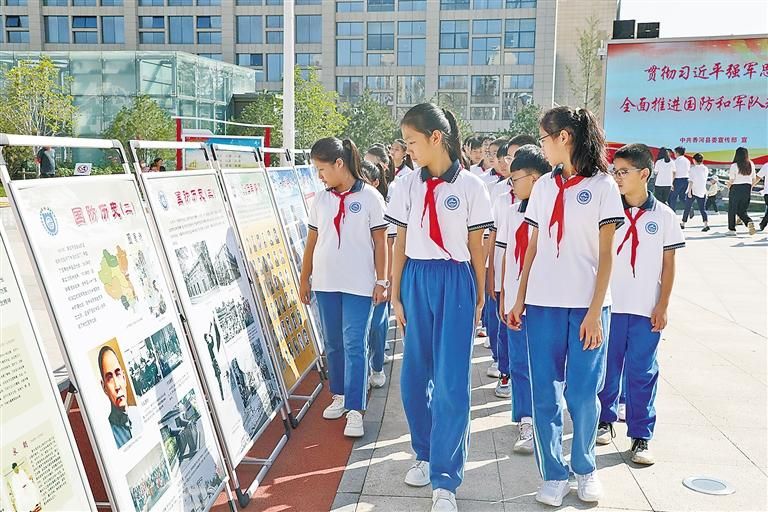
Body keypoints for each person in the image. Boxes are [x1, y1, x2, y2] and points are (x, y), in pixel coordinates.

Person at [509, 106, 624, 507]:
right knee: (545, 394)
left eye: (544, 137)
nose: (541, 145)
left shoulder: (603, 186)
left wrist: (595, 311)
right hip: (543, 305)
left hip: (587, 307)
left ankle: (585, 468)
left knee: (583, 394)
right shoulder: (543, 187)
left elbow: (607, 255)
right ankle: (554, 474)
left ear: (564, 137)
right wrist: (520, 297)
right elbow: (533, 246)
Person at [386, 103, 492, 512]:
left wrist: (479, 294)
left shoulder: (471, 187)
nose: (407, 149)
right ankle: (425, 453)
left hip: (455, 280)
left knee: (451, 382)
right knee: (413, 378)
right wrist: (396, 293)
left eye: (411, 141)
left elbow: (476, 246)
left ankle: (446, 480)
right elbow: (399, 241)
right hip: (416, 278)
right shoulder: (405, 185)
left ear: (436, 137)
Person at [596, 143, 684, 466]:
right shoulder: (608, 213)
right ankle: (604, 419)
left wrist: (663, 305)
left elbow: (669, 265)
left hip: (646, 309)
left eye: (623, 172)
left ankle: (641, 435)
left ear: (644, 173)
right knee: (606, 367)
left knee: (642, 372)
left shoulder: (664, 216)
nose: (617, 177)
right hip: (610, 306)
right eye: (614, 171)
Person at [299, 137, 388, 438]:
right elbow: (312, 241)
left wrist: (382, 280)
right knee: (334, 343)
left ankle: (355, 409)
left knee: (354, 344)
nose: (319, 176)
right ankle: (339, 394)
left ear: (339, 163)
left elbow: (380, 242)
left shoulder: (371, 197)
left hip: (359, 285)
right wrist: (304, 278)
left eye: (322, 169)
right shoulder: (321, 200)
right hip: (326, 283)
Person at [497, 144, 550, 454]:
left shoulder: (553, 212)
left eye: (515, 178)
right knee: (519, 362)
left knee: (545, 363)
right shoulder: (511, 213)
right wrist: (504, 294)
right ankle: (526, 420)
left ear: (535, 178)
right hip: (516, 300)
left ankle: (546, 419)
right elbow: (507, 255)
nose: (511, 185)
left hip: (545, 299)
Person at [360, 158, 391, 388]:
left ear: (375, 182)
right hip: (358, 275)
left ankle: (377, 366)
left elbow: (389, 245)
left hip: (379, 276)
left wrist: (386, 280)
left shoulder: (382, 207)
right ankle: (362, 371)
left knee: (377, 327)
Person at [98, 345, 140, 449]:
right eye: (109, 378)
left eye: (118, 374)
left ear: (124, 378)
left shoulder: (138, 412)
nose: (117, 386)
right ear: (104, 387)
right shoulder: (108, 433)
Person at [726, 147, 758, 235]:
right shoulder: (751, 164)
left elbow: (732, 179)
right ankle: (748, 222)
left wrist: (728, 185)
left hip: (736, 188)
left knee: (732, 209)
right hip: (747, 188)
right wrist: (750, 188)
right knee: (742, 210)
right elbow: (754, 179)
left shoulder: (734, 165)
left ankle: (732, 230)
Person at [681, 153, 710, 232]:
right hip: (702, 191)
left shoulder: (693, 169)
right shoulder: (705, 169)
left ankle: (683, 223)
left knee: (687, 207)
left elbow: (691, 181)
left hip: (693, 190)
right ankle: (706, 224)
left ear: (694, 160)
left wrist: (689, 192)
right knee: (702, 209)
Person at [668, 147, 690, 212]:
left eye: (674, 152)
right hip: (686, 180)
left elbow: (674, 172)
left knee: (672, 197)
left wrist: (671, 182)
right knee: (682, 197)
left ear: (677, 153)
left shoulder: (676, 161)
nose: (674, 154)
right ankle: (689, 208)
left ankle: (672, 212)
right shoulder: (687, 161)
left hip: (678, 180)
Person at [758, 165, 768, 231]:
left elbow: (758, 177)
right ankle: (763, 223)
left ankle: (763, 223)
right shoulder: (766, 166)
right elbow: (758, 177)